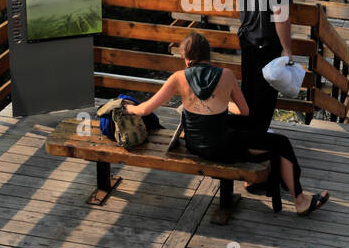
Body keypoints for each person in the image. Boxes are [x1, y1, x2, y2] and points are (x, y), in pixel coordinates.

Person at [126, 33, 329, 215]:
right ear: (209, 55)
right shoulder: (226, 75)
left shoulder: (178, 78)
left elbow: (144, 109)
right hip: (223, 147)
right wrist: (224, 103)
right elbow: (245, 111)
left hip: (195, 145)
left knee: (238, 130)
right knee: (281, 143)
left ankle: (258, 182)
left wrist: (129, 109)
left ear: (186, 58)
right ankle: (300, 201)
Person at [233, 0, 293, 134]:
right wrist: (287, 49)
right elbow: (281, 17)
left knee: (248, 86)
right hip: (267, 41)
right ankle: (258, 136)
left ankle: (246, 130)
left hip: (246, 37)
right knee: (266, 92)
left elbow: (239, 3)